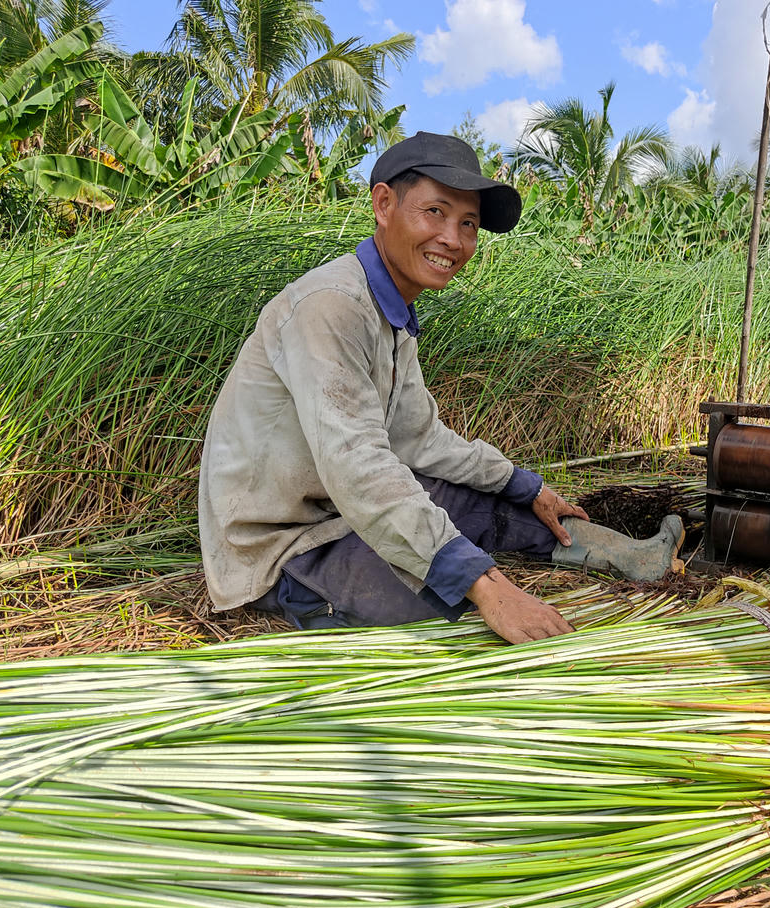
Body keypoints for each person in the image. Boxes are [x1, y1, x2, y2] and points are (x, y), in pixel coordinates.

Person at [198, 132, 684, 644]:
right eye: (435, 212)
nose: (453, 239)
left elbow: (420, 439)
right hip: (284, 545)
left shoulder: (392, 314)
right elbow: (357, 467)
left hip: (343, 513)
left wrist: (527, 485)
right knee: (444, 604)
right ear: (384, 204)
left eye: (468, 223)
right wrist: (489, 588)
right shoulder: (331, 306)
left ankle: (634, 556)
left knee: (490, 499)